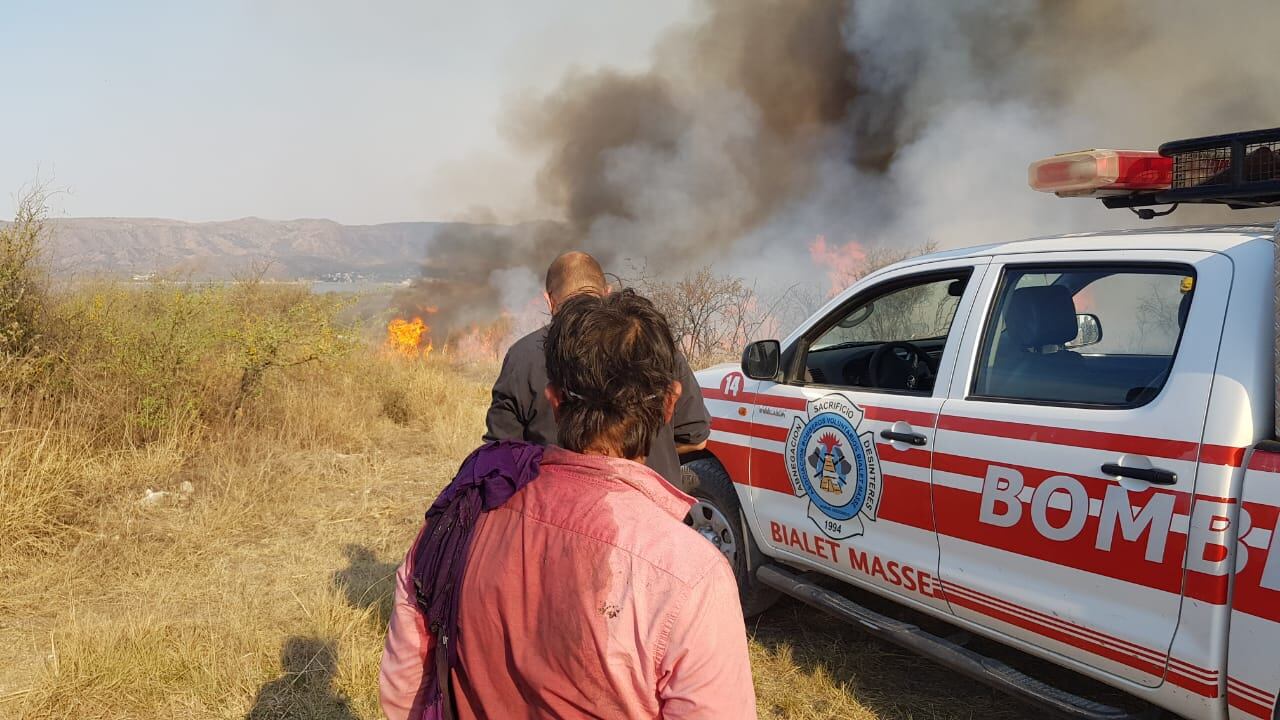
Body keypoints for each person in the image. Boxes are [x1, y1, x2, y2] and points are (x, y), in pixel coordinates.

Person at [380, 289, 756, 719]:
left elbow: (403, 688)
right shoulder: (691, 575)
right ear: (670, 403)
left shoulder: (457, 519)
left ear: (554, 402)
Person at [484, 251, 710, 486]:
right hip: (655, 508)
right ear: (607, 292)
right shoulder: (654, 344)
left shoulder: (524, 356)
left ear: (549, 300)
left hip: (563, 509)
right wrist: (641, 449)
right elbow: (696, 439)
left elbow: (500, 454)